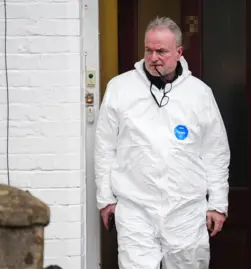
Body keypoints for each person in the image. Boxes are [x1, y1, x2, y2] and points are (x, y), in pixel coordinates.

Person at [94, 16, 230, 269]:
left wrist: (218, 204)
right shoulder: (120, 88)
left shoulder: (199, 93)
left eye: (161, 51)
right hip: (135, 209)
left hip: (186, 211)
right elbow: (104, 148)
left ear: (179, 52)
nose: (153, 57)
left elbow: (216, 152)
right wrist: (106, 200)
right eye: (148, 50)